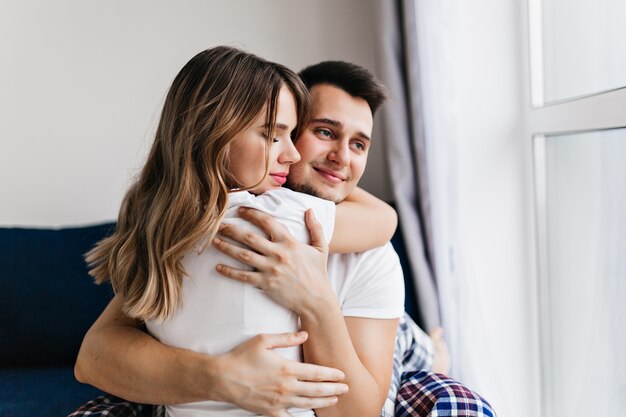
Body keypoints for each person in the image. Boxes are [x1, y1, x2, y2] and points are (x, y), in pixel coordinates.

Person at [74, 58, 461, 417]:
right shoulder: (243, 220)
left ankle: (434, 353)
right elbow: (95, 354)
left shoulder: (168, 220)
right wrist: (220, 376)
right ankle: (434, 352)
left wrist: (317, 302)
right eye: (323, 132)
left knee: (408, 342)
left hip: (378, 328)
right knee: (408, 343)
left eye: (359, 145)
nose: (343, 157)